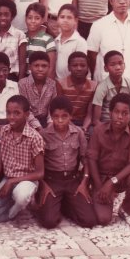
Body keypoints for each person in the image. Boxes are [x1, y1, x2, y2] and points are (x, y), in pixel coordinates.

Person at [0, 95, 44, 225]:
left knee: (21, 195)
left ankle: (20, 204)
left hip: (26, 181)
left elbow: (40, 173)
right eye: (8, 112)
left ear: (27, 114)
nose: (11, 117)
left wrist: (11, 182)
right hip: (8, 180)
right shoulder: (5, 131)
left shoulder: (35, 137)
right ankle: (13, 212)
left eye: (16, 113)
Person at [37, 97, 97, 229]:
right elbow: (36, 164)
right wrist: (43, 185)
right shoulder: (43, 134)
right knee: (49, 222)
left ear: (71, 116)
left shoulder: (78, 133)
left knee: (89, 220)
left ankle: (65, 204)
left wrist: (84, 183)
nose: (60, 120)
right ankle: (53, 204)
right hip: (52, 181)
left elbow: (84, 159)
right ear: (51, 117)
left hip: (72, 181)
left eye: (64, 116)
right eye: (56, 116)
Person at [88, 93, 130, 228]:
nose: (120, 116)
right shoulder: (98, 131)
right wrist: (99, 187)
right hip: (100, 178)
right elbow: (91, 159)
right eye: (117, 112)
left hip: (120, 178)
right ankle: (99, 195)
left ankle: (126, 210)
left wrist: (112, 182)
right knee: (103, 219)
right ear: (110, 112)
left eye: (125, 113)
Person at [91, 51, 130, 136]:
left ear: (124, 65)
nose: (118, 67)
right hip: (106, 126)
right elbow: (96, 120)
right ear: (106, 68)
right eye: (113, 64)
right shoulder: (102, 87)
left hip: (125, 125)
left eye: (120, 63)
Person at [57, 52, 97, 129]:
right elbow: (61, 111)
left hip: (85, 122)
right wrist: (76, 130)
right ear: (69, 67)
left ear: (87, 67)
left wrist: (84, 128)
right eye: (75, 65)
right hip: (66, 121)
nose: (79, 68)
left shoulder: (94, 86)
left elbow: (90, 114)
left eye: (83, 65)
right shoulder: (60, 84)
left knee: (94, 133)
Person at [0, 0, 27, 81]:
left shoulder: (19, 35)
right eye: (0, 14)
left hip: (13, 77)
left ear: (12, 16)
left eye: (6, 15)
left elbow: (22, 63)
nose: (3, 18)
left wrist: (20, 83)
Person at [18, 51, 57, 128]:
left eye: (44, 66)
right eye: (36, 65)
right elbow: (25, 110)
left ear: (49, 67)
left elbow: (52, 108)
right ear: (30, 67)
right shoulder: (22, 84)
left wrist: (50, 125)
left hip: (47, 121)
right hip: (28, 121)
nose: (40, 69)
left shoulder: (52, 84)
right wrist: (39, 127)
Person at [54, 4, 87, 80]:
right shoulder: (56, 41)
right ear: (57, 19)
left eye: (69, 17)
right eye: (62, 17)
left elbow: (81, 67)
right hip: (57, 83)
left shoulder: (80, 42)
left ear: (75, 21)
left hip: (73, 84)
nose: (65, 20)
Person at [25, 2, 56, 79]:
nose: (33, 21)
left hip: (42, 81)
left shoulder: (48, 39)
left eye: (37, 18)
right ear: (25, 19)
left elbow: (51, 68)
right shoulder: (22, 38)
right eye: (30, 17)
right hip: (25, 82)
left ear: (42, 20)